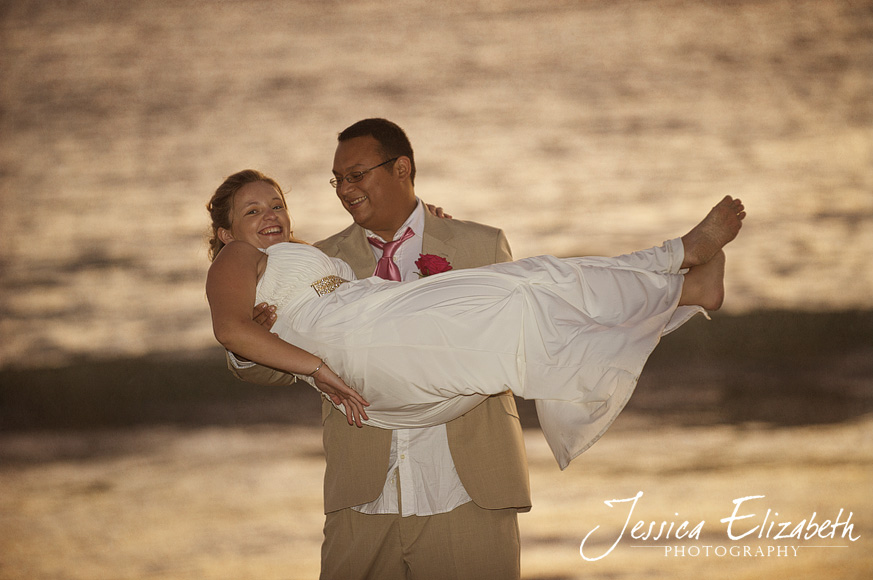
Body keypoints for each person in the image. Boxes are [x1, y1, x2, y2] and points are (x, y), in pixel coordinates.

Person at [220, 119, 532, 580]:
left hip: (468, 486)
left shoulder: (479, 244)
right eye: (337, 179)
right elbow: (278, 371)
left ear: (401, 168)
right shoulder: (318, 260)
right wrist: (255, 347)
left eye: (356, 174)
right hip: (363, 493)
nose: (345, 189)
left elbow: (514, 342)